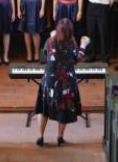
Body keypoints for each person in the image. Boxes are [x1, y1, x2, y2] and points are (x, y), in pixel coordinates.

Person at [35, 18, 90, 147]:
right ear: (71, 31)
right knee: (63, 110)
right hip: (66, 84)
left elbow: (44, 54)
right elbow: (78, 57)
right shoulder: (72, 43)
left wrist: (52, 37)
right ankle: (60, 137)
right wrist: (83, 44)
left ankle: (40, 137)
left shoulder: (50, 41)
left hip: (49, 82)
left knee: (44, 109)